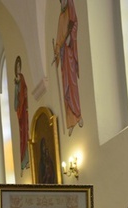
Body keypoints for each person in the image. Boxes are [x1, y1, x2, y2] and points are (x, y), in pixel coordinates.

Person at [54, 0, 83, 136]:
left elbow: (74, 23)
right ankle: (71, 122)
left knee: (72, 85)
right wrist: (56, 52)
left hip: (70, 54)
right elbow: (59, 40)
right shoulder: (61, 18)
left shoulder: (70, 10)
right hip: (63, 57)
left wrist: (69, 38)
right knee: (66, 89)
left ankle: (78, 114)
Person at [14, 56, 29, 171]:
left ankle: (26, 158)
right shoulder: (16, 83)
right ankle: (24, 160)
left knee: (26, 132)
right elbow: (15, 103)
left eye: (19, 66)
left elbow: (24, 92)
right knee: (22, 133)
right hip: (20, 113)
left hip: (24, 110)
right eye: (17, 67)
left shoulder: (22, 80)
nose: (18, 69)